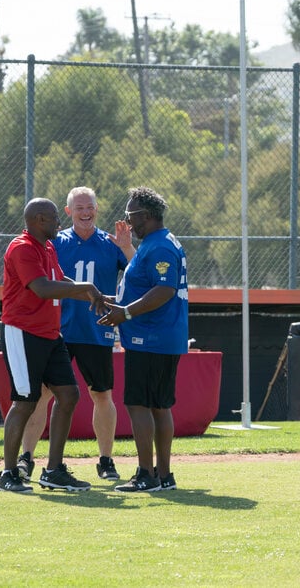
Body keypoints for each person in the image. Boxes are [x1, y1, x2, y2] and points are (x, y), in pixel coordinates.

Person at [16, 187, 135, 483]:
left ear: (97, 208)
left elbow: (137, 276)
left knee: (102, 394)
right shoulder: (56, 242)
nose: (85, 212)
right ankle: (26, 458)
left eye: (90, 206)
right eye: (79, 207)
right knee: (42, 395)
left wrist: (127, 248)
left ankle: (106, 460)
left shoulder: (111, 243)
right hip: (58, 332)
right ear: (68, 212)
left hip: (97, 332)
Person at [0, 198, 104, 493]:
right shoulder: (22, 247)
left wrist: (94, 296)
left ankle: (54, 470)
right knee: (25, 402)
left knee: (68, 395)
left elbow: (58, 279)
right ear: (41, 219)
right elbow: (43, 288)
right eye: (56, 217)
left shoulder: (47, 246)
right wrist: (84, 288)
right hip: (22, 333)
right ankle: (8, 473)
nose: (60, 222)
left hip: (50, 334)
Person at [97, 187, 189, 493]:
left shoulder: (159, 246)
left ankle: (146, 475)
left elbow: (164, 290)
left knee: (140, 405)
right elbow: (147, 288)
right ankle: (164, 475)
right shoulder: (157, 242)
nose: (127, 221)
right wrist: (116, 301)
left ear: (147, 216)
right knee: (160, 406)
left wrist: (126, 312)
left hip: (150, 336)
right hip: (159, 336)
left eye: (130, 215)